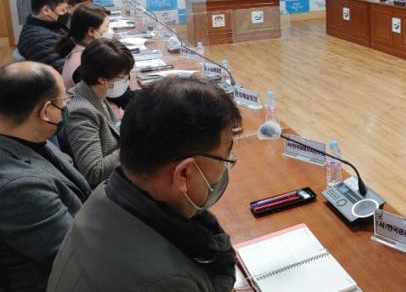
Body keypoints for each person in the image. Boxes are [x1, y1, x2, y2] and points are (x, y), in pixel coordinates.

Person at [48, 77, 242, 292]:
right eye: (225, 159)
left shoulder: (107, 193)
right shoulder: (167, 283)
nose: (225, 168)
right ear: (183, 173)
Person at [0, 62, 91, 292]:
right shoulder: (19, 188)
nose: (67, 106)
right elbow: (76, 258)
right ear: (46, 111)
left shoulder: (29, 135)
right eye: (64, 101)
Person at [63, 40, 134, 187]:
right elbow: (93, 172)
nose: (126, 80)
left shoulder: (94, 92)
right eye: (123, 77)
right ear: (102, 80)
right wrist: (133, 146)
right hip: (109, 186)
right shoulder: (80, 111)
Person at [56, 3, 111, 90]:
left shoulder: (76, 47)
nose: (107, 30)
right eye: (106, 26)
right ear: (91, 31)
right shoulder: (86, 61)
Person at [17, 0, 69, 71]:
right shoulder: (40, 39)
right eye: (63, 10)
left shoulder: (51, 24)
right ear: (46, 10)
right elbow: (64, 71)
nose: (67, 13)